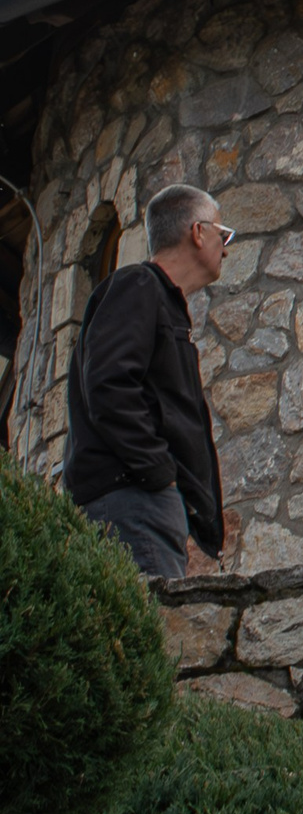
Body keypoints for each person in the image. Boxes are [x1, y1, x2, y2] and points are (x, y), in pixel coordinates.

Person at [64, 181, 230, 580]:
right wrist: (161, 475)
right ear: (198, 232)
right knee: (152, 620)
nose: (226, 248)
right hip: (134, 499)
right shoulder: (138, 286)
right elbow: (109, 386)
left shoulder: (156, 299)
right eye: (223, 234)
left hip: (142, 499)